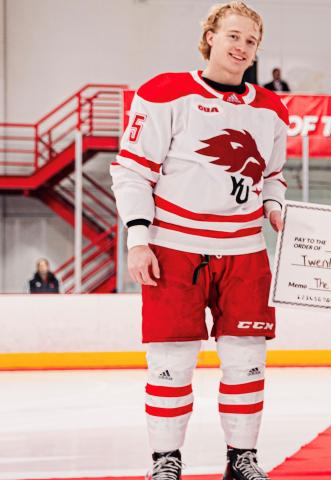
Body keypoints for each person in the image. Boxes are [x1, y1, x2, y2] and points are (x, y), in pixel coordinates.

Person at [110, 2, 288, 479]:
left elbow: (273, 177)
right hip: (174, 247)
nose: (241, 48)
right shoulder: (164, 92)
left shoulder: (271, 108)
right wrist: (137, 238)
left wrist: (273, 207)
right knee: (171, 361)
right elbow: (131, 171)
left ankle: (242, 458)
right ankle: (166, 461)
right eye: (233, 36)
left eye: (251, 41)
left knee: (247, 361)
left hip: (245, 250)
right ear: (210, 36)